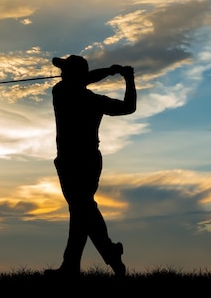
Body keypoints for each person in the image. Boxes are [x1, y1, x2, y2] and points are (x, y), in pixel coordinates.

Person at [45, 54, 136, 277]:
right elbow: (128, 106)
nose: (61, 73)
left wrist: (110, 71)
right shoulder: (91, 100)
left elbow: (85, 80)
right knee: (82, 211)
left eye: (64, 70)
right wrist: (126, 78)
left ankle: (75, 265)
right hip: (81, 160)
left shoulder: (61, 92)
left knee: (81, 209)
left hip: (76, 161)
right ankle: (102, 256)